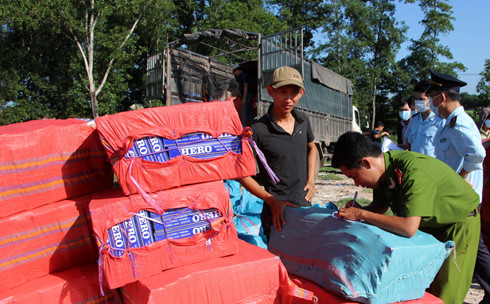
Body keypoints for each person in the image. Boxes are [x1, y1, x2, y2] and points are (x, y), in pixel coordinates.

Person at [331, 131, 480, 304]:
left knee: (445, 292)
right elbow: (380, 206)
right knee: (423, 286)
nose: (357, 184)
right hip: (429, 226)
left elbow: (408, 228)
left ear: (366, 163)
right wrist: (361, 210)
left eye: (354, 177)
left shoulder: (412, 170)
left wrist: (361, 214)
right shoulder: (383, 173)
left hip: (457, 224)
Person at [427, 69, 489, 304]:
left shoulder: (459, 122)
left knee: (466, 250)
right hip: (456, 199)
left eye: (432, 96)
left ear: (441, 97)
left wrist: (460, 176)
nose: (431, 103)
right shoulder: (450, 123)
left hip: (462, 201)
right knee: (475, 247)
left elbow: (477, 153)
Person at [238, 65, 317, 241]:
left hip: (304, 207)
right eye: (283, 92)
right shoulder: (259, 130)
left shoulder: (303, 120)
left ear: (301, 93)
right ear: (270, 91)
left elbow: (312, 147)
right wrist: (271, 200)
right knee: (281, 260)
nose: (288, 99)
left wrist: (311, 181)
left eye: (294, 93)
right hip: (277, 213)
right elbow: (241, 174)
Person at [405, 80, 445, 157]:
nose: (418, 102)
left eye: (421, 99)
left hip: (432, 165)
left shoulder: (440, 121)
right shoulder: (414, 120)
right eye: (416, 99)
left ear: (430, 99)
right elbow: (409, 143)